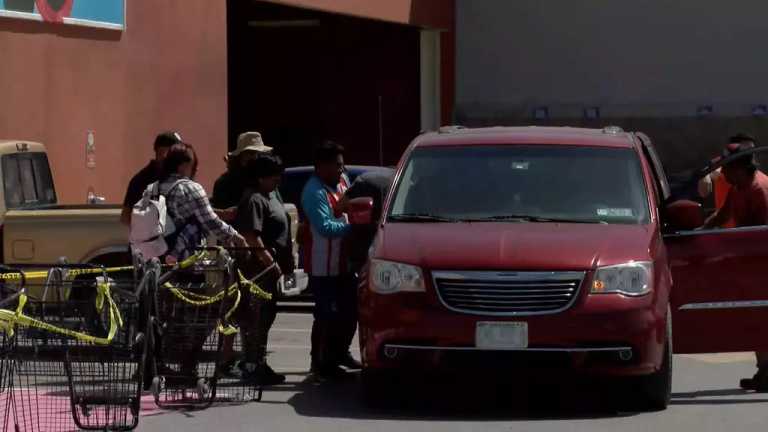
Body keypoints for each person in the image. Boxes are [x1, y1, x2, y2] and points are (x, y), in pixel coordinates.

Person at [700, 140, 768, 391]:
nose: (724, 174)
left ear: (740, 168)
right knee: (756, 319)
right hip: (750, 266)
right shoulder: (739, 188)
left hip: (760, 267)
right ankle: (764, 370)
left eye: (727, 168)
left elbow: (759, 235)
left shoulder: (758, 189)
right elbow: (721, 216)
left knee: (762, 318)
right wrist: (698, 233)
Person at [231, 155, 294, 385]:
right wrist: (271, 264)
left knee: (266, 317)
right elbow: (251, 237)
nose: (277, 179)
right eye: (272, 176)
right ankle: (251, 365)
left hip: (269, 273)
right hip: (257, 272)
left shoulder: (271, 195)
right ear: (260, 177)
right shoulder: (255, 199)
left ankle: (259, 362)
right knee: (255, 319)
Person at [300, 141, 357, 378]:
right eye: (337, 166)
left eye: (342, 165)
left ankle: (340, 353)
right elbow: (324, 227)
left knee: (350, 312)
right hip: (323, 267)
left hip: (345, 265)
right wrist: (354, 226)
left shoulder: (343, 182)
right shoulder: (314, 192)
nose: (342, 170)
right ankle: (321, 363)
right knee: (326, 315)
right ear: (322, 166)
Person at [211, 131, 283, 221]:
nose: (256, 157)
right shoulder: (225, 183)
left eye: (259, 153)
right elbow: (218, 218)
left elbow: (279, 207)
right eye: (251, 153)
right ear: (240, 156)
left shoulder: (267, 180)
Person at [121, 131, 183, 225]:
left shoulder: (139, 178)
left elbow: (125, 218)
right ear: (164, 153)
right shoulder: (142, 180)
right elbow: (126, 216)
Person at [698, 134, 756, 228]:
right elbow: (704, 189)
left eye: (751, 151)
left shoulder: (755, 182)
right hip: (726, 231)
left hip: (741, 232)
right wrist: (705, 176)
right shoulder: (725, 170)